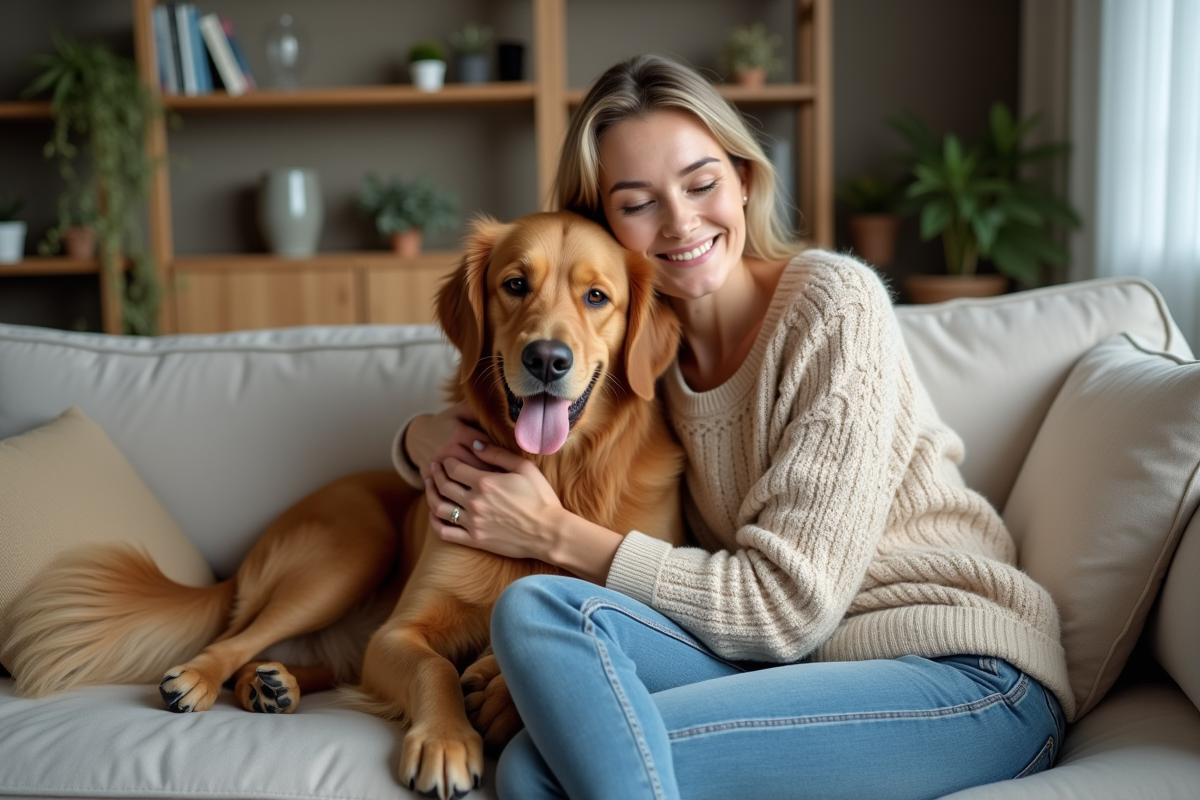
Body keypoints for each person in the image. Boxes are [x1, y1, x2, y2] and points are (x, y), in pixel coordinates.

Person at [394, 54, 1071, 800]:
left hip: (962, 672)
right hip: (799, 668)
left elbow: (788, 609)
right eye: (637, 200)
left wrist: (551, 534)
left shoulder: (833, 305)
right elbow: (507, 391)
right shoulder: (636, 363)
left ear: (743, 181)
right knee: (533, 652)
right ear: (602, 221)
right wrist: (419, 437)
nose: (681, 222)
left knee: (539, 758)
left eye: (702, 182)